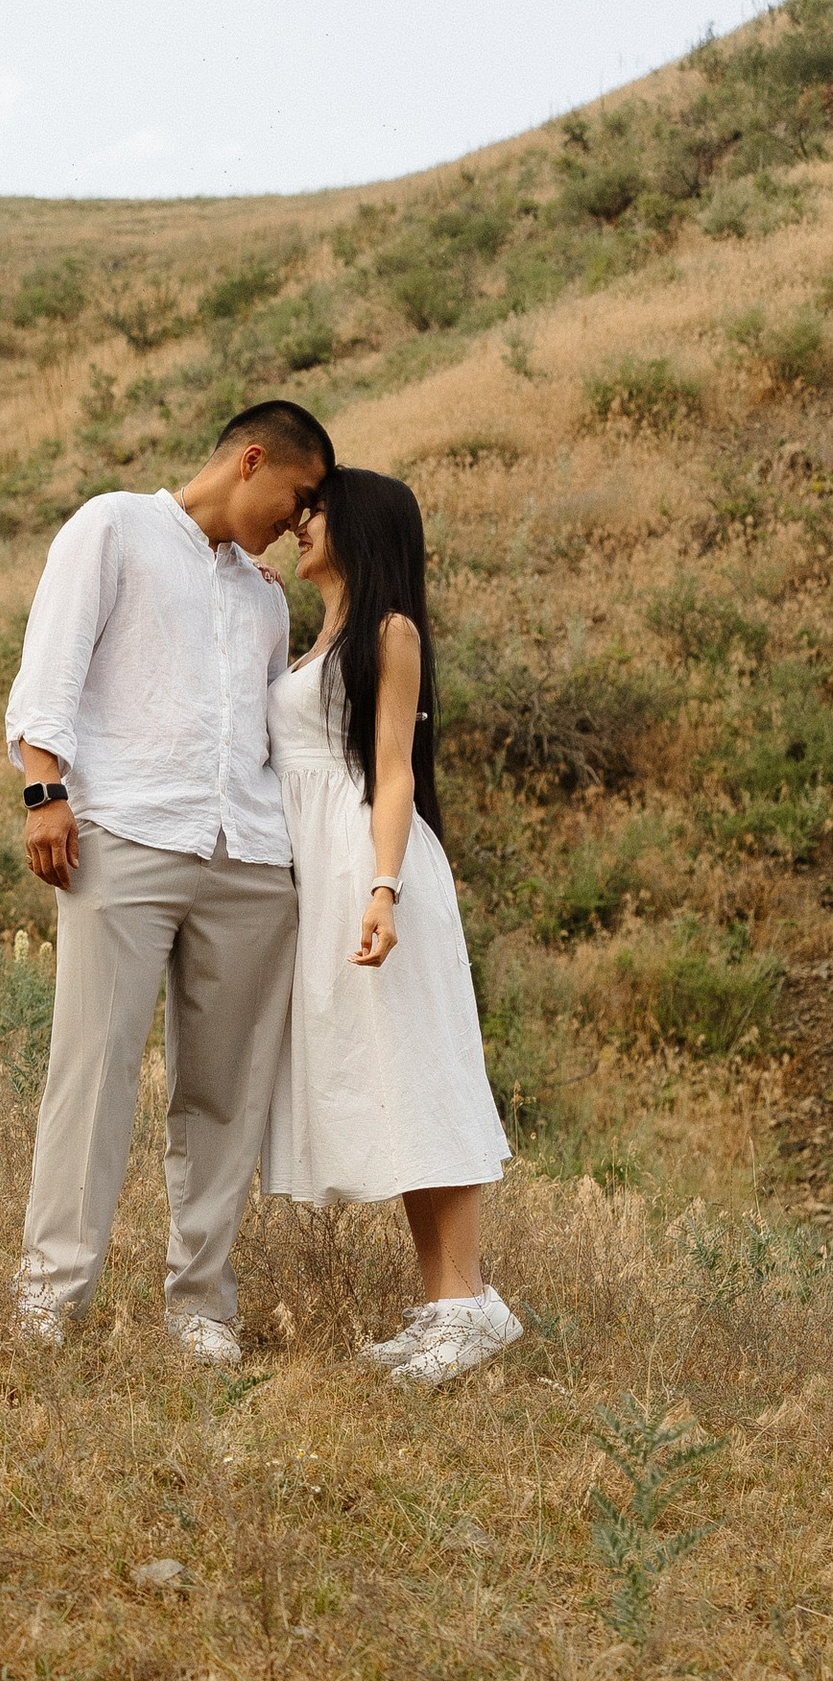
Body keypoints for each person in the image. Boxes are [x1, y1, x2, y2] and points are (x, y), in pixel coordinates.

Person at [4, 401, 332, 1360]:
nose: (298, 522)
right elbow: (49, 668)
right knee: (93, 1071)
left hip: (251, 860)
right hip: (129, 836)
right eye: (296, 498)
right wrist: (42, 792)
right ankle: (53, 1298)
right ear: (252, 460)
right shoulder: (113, 526)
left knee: (227, 1090)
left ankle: (199, 1308)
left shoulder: (269, 596)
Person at [263, 465, 518, 1384]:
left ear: (359, 526)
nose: (299, 525)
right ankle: (453, 1302)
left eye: (315, 513)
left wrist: (382, 888)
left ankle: (464, 1304)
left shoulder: (389, 630)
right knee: (386, 1077)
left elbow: (395, 769)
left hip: (369, 866)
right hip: (322, 871)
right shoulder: (316, 634)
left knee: (420, 1070)